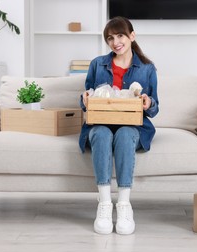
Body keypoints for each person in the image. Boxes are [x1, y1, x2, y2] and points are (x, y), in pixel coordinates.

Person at [79, 16, 159, 235]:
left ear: (132, 36)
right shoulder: (98, 64)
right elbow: (86, 99)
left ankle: (124, 205)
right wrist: (85, 98)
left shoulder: (147, 68)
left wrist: (147, 102)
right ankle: (104, 204)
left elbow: (155, 106)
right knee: (102, 134)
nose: (116, 42)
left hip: (133, 125)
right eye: (110, 38)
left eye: (120, 35)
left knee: (124, 134)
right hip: (101, 122)